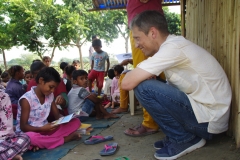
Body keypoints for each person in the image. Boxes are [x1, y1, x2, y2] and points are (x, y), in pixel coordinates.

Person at [122, 10, 232, 159]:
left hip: (209, 122)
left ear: (153, 32)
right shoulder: (173, 46)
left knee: (143, 87)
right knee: (147, 82)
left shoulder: (172, 48)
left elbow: (127, 83)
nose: (136, 45)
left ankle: (184, 139)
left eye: (137, 38)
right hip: (206, 117)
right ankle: (178, 136)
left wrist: (140, 76)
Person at [112, 0, 164, 137]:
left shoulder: (147, 33)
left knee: (143, 77)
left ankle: (150, 124)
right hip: (145, 27)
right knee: (150, 75)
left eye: (136, 41)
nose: (136, 45)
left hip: (144, 28)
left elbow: (129, 83)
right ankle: (157, 120)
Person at [16, 67, 81, 150]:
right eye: (51, 87)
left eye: (54, 88)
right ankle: (64, 139)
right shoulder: (26, 99)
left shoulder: (50, 95)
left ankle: (43, 143)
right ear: (41, 81)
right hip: (30, 132)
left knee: (76, 122)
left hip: (46, 130)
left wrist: (65, 119)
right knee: (31, 137)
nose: (52, 90)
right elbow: (23, 127)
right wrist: (41, 128)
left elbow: (57, 115)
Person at [0, 90, 30, 160]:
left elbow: (6, 128)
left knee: (24, 138)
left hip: (1, 140)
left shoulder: (3, 97)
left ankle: (6, 155)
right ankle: (9, 155)